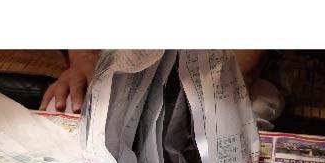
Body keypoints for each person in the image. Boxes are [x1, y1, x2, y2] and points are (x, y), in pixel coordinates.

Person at [40, 50, 265, 114]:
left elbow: (237, 65)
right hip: (122, 66)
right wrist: (83, 61)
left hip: (213, 72)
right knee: (66, 106)